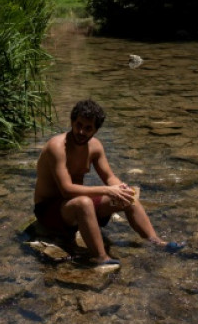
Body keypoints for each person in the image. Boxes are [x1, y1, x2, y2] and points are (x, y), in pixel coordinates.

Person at [34, 99, 184, 265]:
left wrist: (121, 188)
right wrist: (107, 190)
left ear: (96, 130)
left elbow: (110, 177)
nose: (81, 132)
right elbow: (66, 190)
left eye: (88, 128)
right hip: (49, 210)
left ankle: (156, 242)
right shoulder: (57, 147)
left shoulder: (95, 147)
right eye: (78, 125)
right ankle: (101, 257)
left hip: (72, 206)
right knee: (84, 203)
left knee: (128, 195)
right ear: (72, 122)